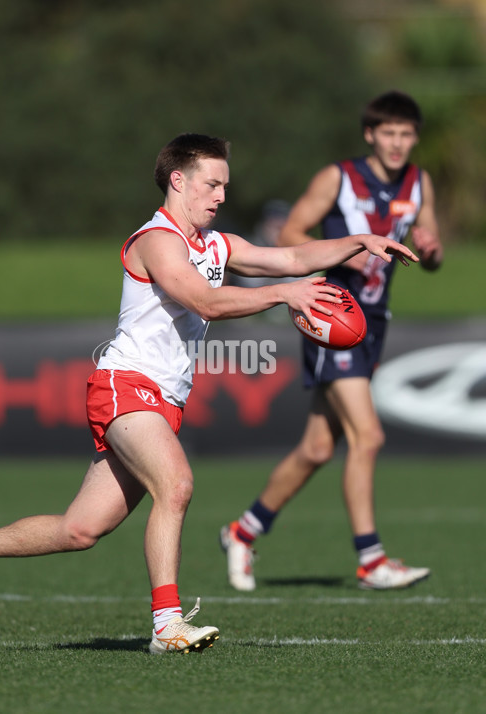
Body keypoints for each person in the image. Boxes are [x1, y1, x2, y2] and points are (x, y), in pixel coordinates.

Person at [0, 133, 419, 654]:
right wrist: (285, 295)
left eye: (224, 186)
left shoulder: (217, 244)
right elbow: (205, 301)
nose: (220, 196)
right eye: (212, 184)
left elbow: (290, 256)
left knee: (80, 530)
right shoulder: (158, 239)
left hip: (159, 401)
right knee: (177, 485)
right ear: (178, 180)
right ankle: (167, 626)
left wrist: (357, 243)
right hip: (125, 387)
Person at [221, 90, 443, 592]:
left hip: (375, 322)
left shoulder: (419, 182)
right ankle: (371, 562)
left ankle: (242, 532)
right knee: (370, 436)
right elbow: (288, 234)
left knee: (319, 448)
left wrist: (431, 249)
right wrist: (342, 256)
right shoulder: (338, 178)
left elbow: (430, 248)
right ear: (370, 134)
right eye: (388, 133)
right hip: (330, 316)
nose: (397, 143)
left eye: (406, 134)